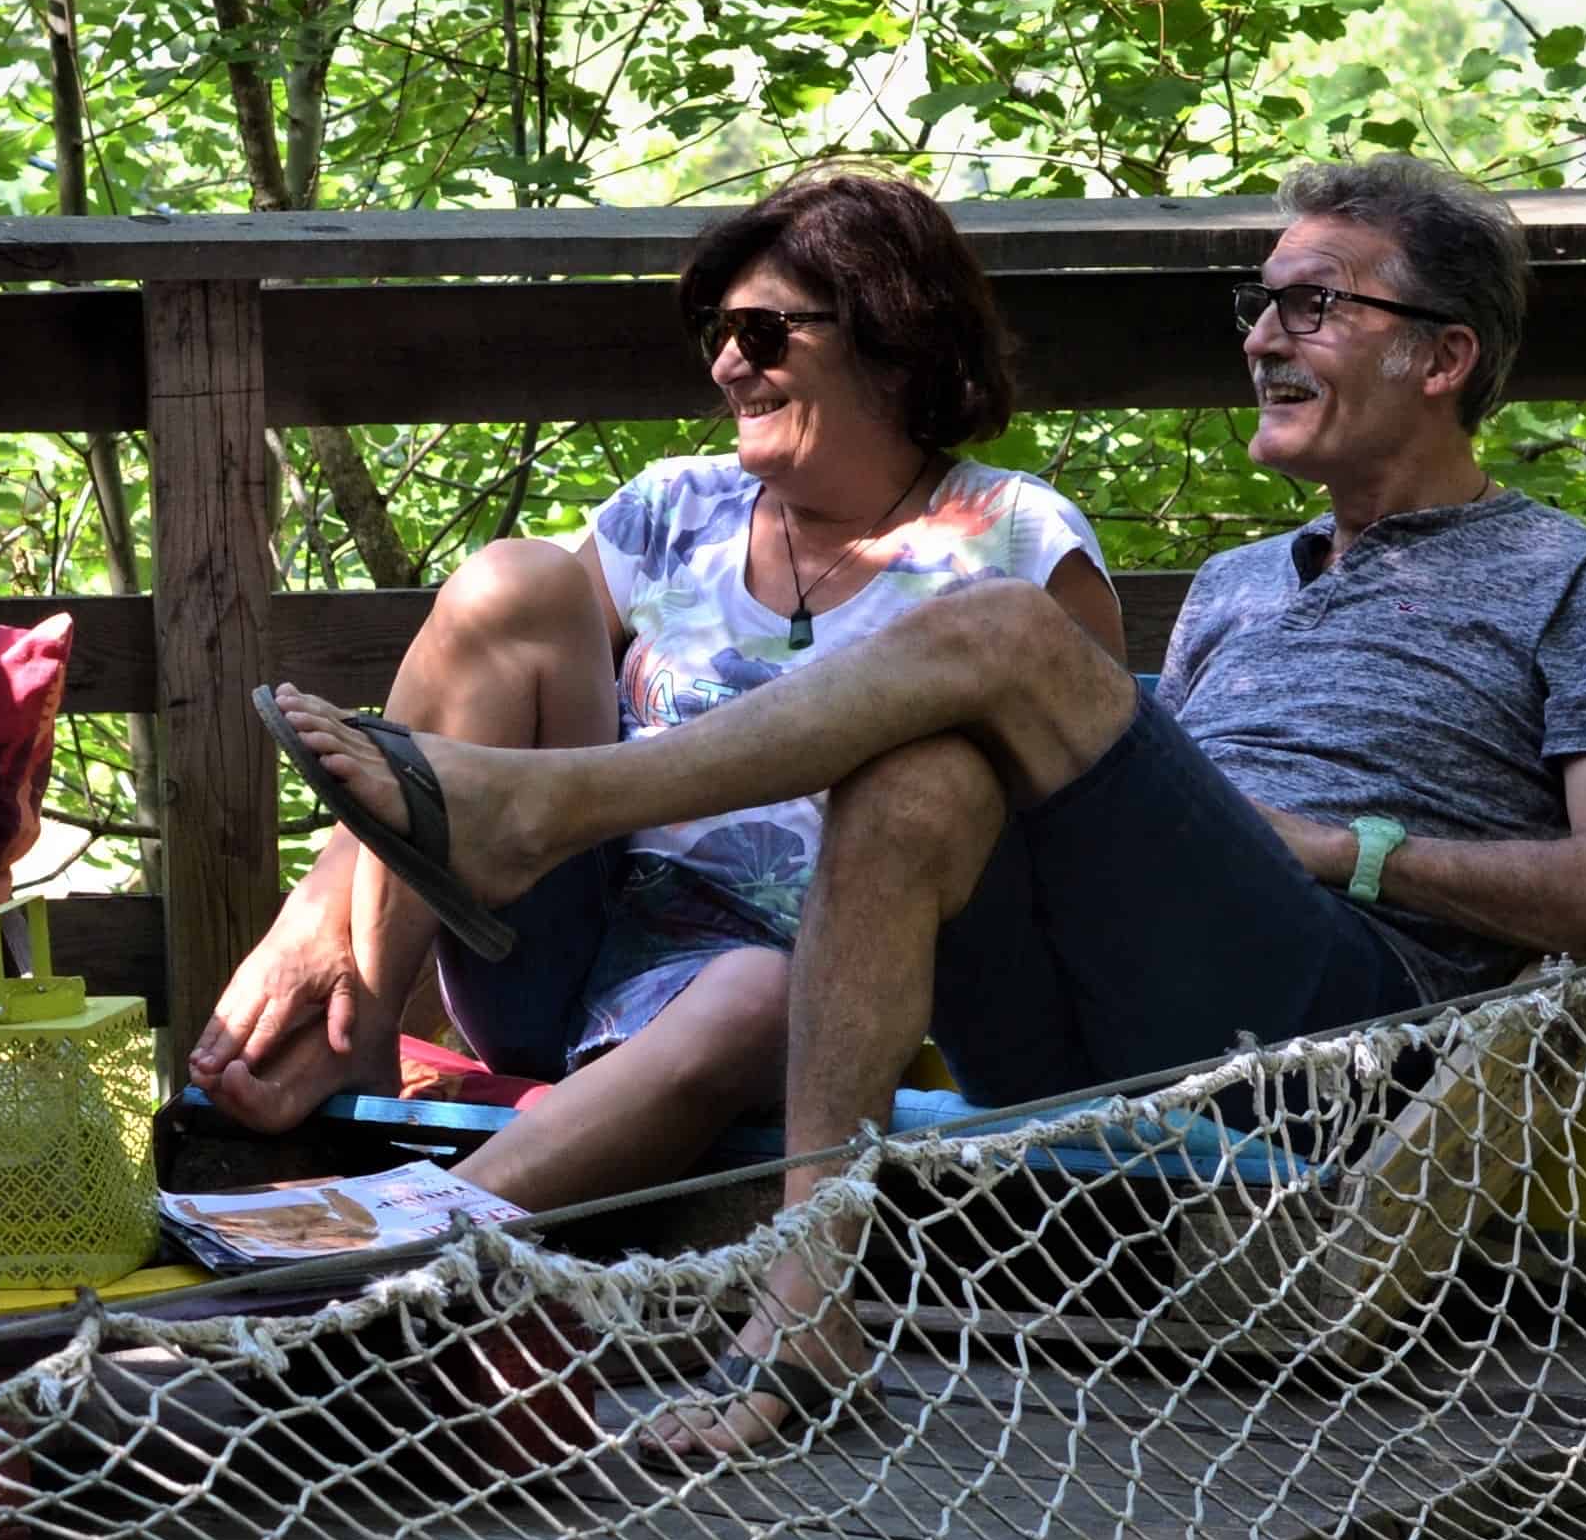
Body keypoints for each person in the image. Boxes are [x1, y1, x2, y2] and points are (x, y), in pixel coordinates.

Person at [255, 155, 1586, 1445]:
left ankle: (549, 805)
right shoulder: (1237, 584)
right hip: (1095, 1025)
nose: (1263, 336)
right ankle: (812, 1305)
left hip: (1342, 1026)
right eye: (1260, 306)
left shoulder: (1581, 582)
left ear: (1445, 356)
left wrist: (1342, 850)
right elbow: (1134, 817)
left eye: (1313, 306)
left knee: (990, 631)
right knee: (926, 770)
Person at [189, 168, 1114, 1210]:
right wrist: (314, 918)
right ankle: (357, 1029)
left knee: (763, 990)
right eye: (715, 331)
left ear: (890, 334)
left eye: (762, 333)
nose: (727, 364)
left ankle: (410, 1234)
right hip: (571, 948)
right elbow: (467, 697)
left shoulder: (1015, 541)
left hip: (823, 999)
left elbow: (1089, 817)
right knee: (512, 582)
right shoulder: (672, 508)